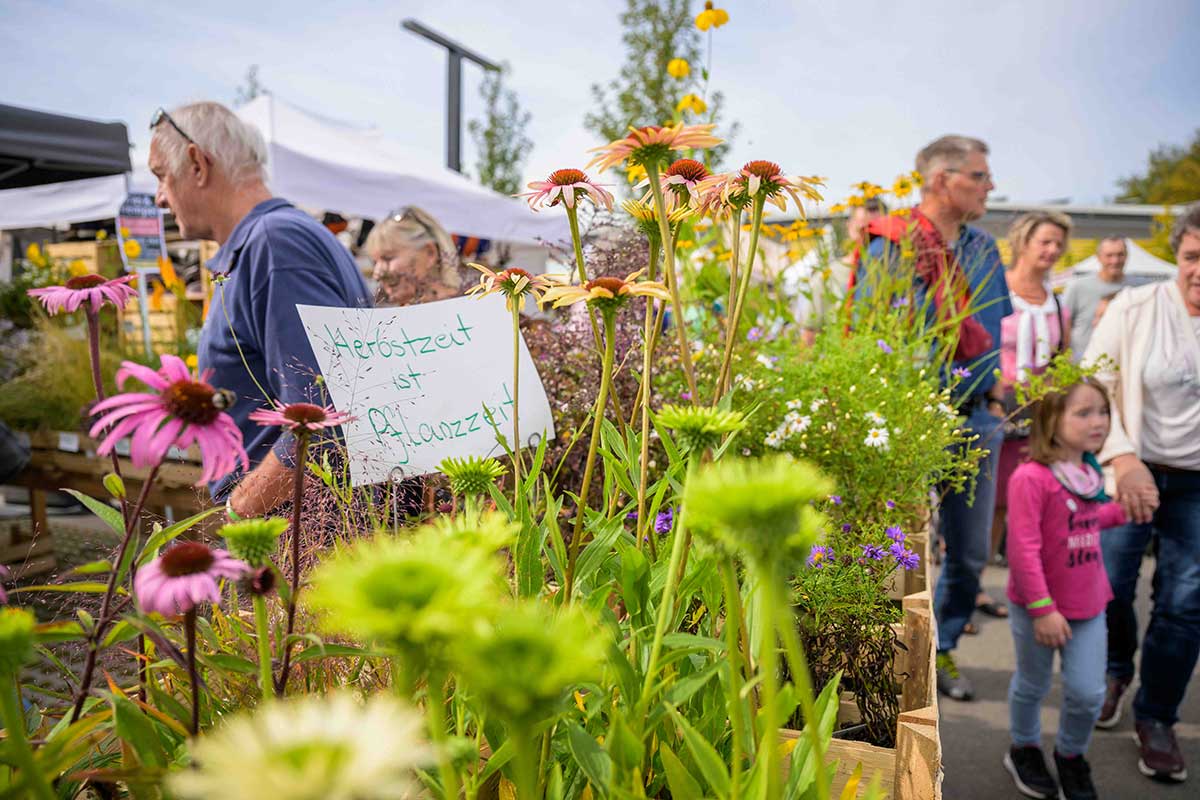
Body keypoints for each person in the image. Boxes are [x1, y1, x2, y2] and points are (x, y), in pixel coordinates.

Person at [148, 102, 371, 518]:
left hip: (293, 539)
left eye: (161, 175)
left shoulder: (273, 245)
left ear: (197, 163)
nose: (159, 197)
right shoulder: (274, 240)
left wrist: (239, 510)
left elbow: (318, 421)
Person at [857, 135, 1012, 701]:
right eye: (980, 175)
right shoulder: (892, 245)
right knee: (897, 549)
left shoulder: (984, 250)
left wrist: (994, 398)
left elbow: (994, 334)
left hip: (974, 421)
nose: (990, 186)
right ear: (943, 180)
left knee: (971, 556)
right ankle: (886, 664)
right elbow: (872, 336)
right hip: (906, 422)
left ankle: (941, 648)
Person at [1084, 202, 1200, 783]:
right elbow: (1094, 379)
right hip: (1132, 469)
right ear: (1178, 257)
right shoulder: (1136, 307)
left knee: (1183, 604)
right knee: (1110, 586)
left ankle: (1156, 717)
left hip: (1197, 484)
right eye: (1191, 256)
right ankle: (1114, 670)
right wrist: (1122, 457)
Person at [1003, 377, 1126, 800]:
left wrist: (1123, 512)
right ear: (1051, 421)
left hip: (1089, 603)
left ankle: (1071, 756)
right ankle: (1024, 747)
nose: (1099, 422)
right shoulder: (1030, 478)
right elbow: (1022, 549)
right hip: (1038, 607)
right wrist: (1042, 608)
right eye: (1084, 412)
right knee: (1033, 684)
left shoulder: (1088, 472)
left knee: (1089, 692)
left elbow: (1085, 521)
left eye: (1103, 411)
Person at [986, 212, 1073, 621]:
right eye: (1045, 241)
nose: (1052, 250)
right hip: (995, 407)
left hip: (1036, 414)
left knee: (1016, 503)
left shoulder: (1056, 300)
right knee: (984, 499)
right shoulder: (997, 288)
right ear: (1023, 241)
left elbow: (1061, 359)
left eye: (1058, 244)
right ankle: (967, 586)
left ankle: (1011, 586)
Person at [799, 197, 887, 345]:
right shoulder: (828, 276)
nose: (869, 237)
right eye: (862, 229)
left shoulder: (896, 275)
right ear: (850, 227)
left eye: (877, 232)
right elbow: (810, 334)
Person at [363, 206, 463, 307]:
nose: (377, 274)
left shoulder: (467, 309)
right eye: (375, 262)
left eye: (388, 258)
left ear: (430, 253)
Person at [1063, 236, 1132, 360]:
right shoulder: (1077, 286)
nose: (1115, 260)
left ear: (1127, 256)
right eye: (1109, 255)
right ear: (1098, 257)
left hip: (1122, 363)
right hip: (1082, 365)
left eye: (1120, 255)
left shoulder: (1137, 289)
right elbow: (1064, 325)